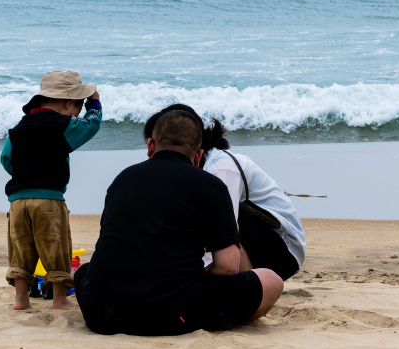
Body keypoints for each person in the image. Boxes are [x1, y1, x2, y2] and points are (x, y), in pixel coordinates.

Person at [74, 108, 283, 336]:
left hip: (99, 313)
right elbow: (227, 266)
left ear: (151, 146)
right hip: (170, 315)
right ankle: (223, 320)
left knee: (86, 270)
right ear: (197, 155)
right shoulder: (211, 186)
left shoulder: (122, 179)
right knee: (271, 281)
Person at [141, 105, 306, 281]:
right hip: (249, 234)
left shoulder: (221, 168)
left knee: (216, 228)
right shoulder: (187, 169)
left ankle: (244, 289)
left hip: (283, 247)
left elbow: (225, 228)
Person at [0, 71, 102, 310]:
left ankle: (21, 299)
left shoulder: (18, 128)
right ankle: (59, 299)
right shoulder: (64, 125)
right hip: (49, 200)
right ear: (68, 104)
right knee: (57, 249)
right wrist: (94, 103)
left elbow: (6, 159)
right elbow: (91, 126)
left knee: (21, 250)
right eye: (77, 108)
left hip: (17, 201)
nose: (76, 115)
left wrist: (26, 174)